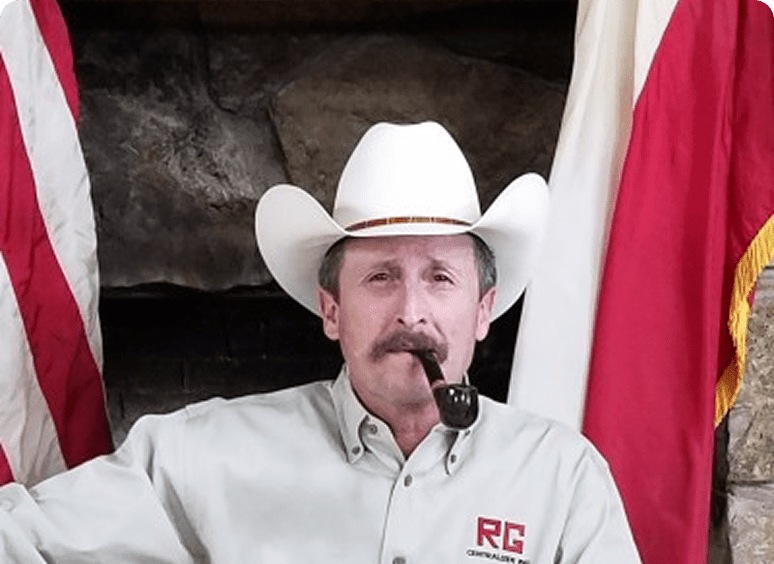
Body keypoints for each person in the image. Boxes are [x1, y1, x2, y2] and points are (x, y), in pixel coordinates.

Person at [0, 121, 641, 563]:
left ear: (482, 310)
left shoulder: (562, 479)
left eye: (440, 278)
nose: (411, 311)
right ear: (332, 309)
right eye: (381, 277)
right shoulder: (207, 456)